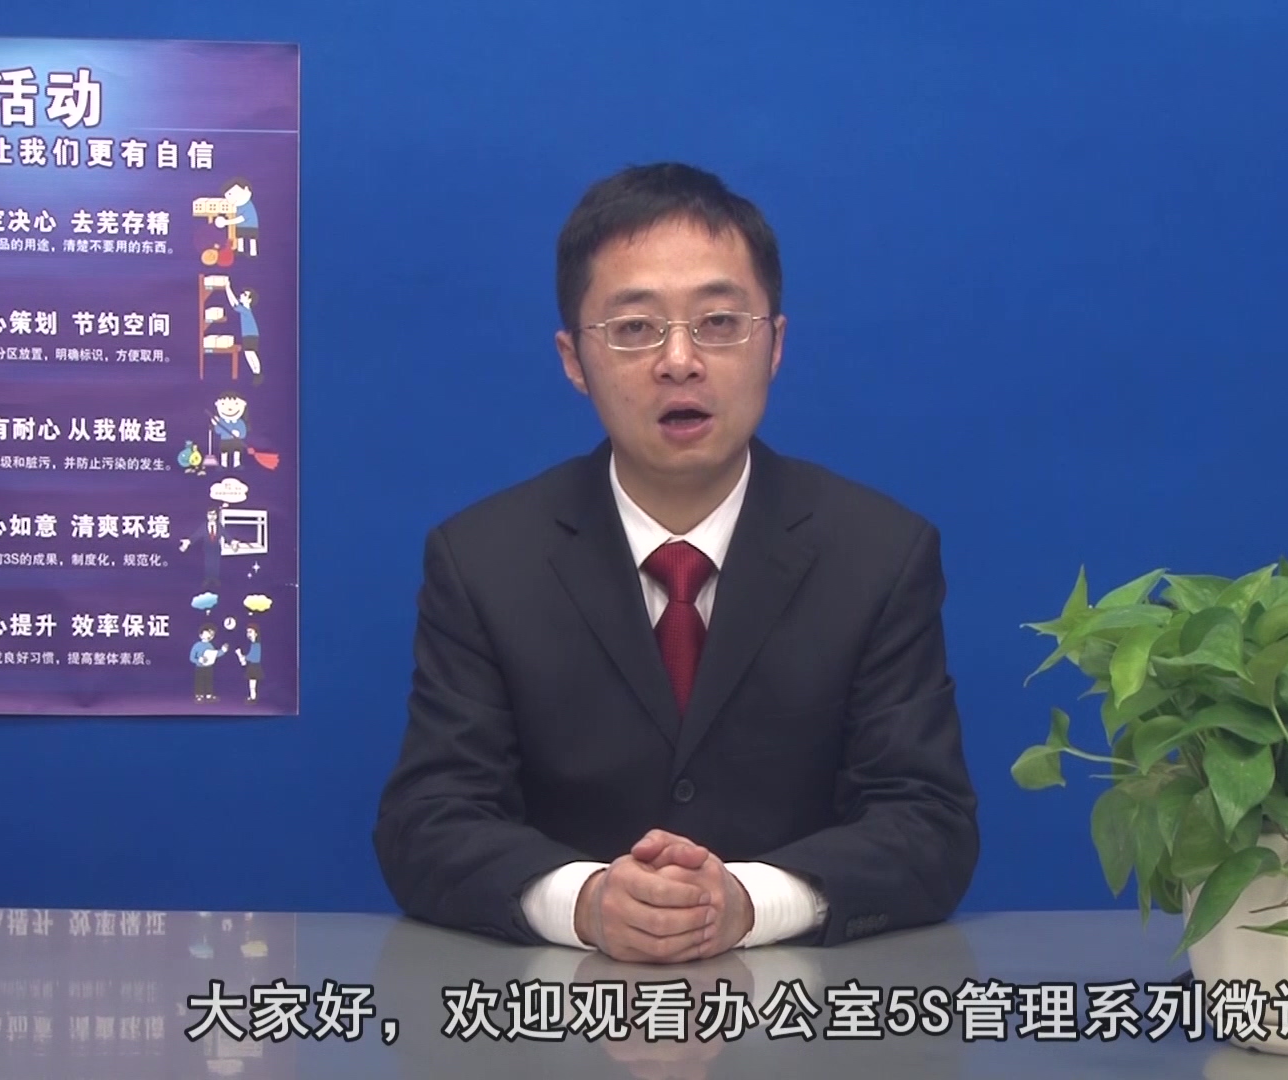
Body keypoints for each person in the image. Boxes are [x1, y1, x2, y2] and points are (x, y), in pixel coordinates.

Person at [373, 163, 979, 964]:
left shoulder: (880, 554)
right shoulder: (484, 561)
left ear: (775, 344)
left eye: (720, 322)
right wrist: (589, 901)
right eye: (634, 328)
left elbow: (928, 823)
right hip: (555, 1013)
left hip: (804, 1016)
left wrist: (748, 902)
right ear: (572, 359)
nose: (680, 360)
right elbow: (428, 821)